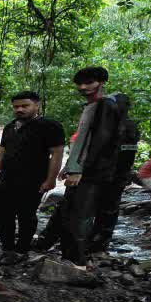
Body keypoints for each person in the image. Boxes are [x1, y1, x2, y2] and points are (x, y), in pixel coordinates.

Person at [0, 91, 65, 260]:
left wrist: (50, 180)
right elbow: (1, 154)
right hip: (5, 180)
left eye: (25, 106)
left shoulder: (50, 126)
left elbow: (57, 154)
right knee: (4, 217)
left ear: (37, 105)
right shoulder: (10, 127)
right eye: (16, 106)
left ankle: (23, 249)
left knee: (27, 216)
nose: (19, 109)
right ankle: (8, 249)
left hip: (32, 180)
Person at [59, 66, 124, 268]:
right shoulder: (93, 106)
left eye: (89, 82)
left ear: (101, 82)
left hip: (90, 172)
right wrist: (70, 166)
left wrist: (80, 169)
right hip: (89, 169)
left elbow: (99, 143)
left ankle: (77, 260)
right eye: (80, 83)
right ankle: (73, 256)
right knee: (72, 212)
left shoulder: (104, 106)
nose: (83, 87)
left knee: (80, 215)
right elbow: (82, 141)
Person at [90, 93, 139, 253]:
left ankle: (100, 243)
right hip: (103, 173)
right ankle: (95, 241)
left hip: (114, 174)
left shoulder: (128, 126)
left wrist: (122, 174)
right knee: (102, 207)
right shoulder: (104, 123)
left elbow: (127, 153)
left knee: (109, 208)